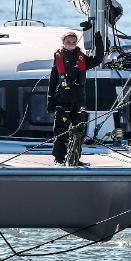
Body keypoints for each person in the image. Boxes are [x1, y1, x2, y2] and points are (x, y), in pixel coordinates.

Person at [47, 31, 104, 164]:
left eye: (74, 42)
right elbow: (53, 81)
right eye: (68, 42)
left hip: (79, 101)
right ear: (63, 43)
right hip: (63, 100)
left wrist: (98, 40)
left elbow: (98, 59)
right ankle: (59, 158)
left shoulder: (82, 58)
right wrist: (50, 100)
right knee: (61, 131)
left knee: (79, 131)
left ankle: (75, 158)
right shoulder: (58, 58)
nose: (71, 44)